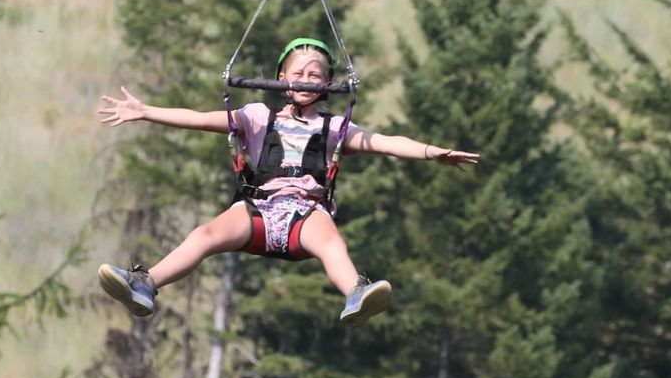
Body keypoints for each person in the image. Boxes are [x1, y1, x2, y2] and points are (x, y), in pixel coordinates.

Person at [95, 37, 480, 325]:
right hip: (258, 209)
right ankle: (145, 283)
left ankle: (356, 294)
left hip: (305, 214)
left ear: (327, 84)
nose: (306, 81)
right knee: (204, 234)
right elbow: (199, 118)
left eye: (315, 76)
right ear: (282, 79)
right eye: (298, 74)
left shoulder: (334, 128)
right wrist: (146, 111)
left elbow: (385, 142)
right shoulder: (257, 117)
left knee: (331, 243)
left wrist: (431, 151)